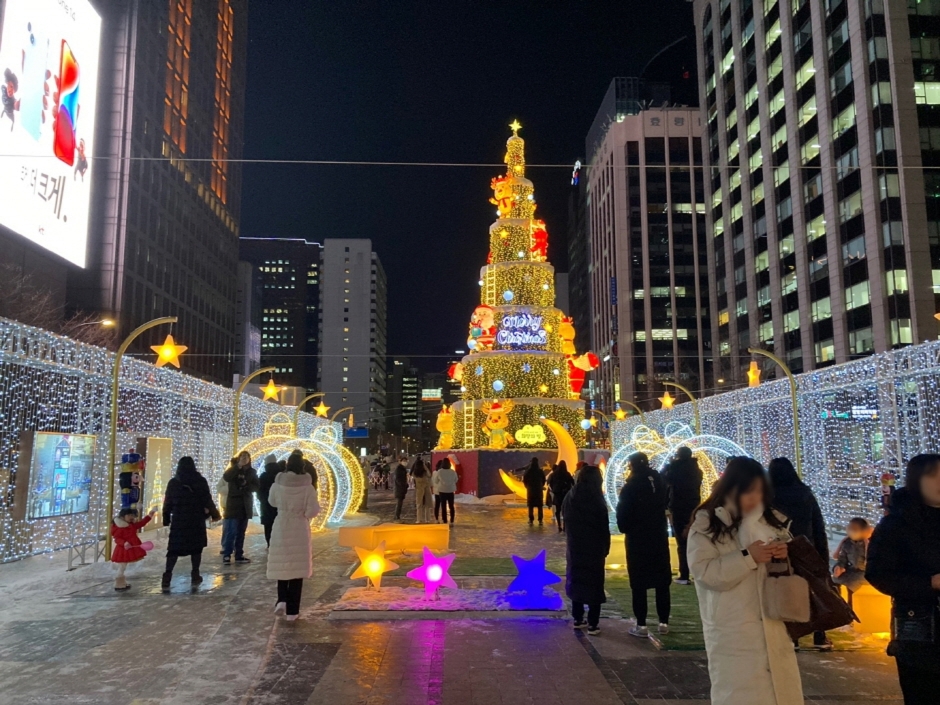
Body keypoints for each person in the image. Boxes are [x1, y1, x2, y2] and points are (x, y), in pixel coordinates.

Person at [687, 456, 802, 705]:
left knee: (778, 695)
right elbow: (704, 573)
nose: (755, 499)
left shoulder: (771, 521)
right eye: (750, 491)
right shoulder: (708, 523)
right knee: (738, 695)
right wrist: (748, 558)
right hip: (733, 630)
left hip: (773, 626)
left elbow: (786, 571)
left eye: (760, 492)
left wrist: (783, 554)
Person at [867, 454, 940, 704]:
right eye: (932, 475)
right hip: (920, 630)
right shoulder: (896, 524)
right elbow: (878, 574)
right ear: (916, 480)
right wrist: (928, 584)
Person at [768, 456, 832, 651]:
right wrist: (822, 553)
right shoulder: (805, 494)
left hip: (780, 549)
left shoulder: (769, 496)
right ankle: (819, 636)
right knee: (813, 590)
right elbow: (818, 526)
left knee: (787, 591)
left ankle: (793, 635)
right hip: (806, 547)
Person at [616, 452, 672, 637]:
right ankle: (664, 622)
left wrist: (627, 527)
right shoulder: (659, 482)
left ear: (632, 465)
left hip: (638, 539)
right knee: (662, 581)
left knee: (639, 582)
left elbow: (623, 516)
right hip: (658, 535)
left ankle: (641, 625)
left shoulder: (631, 486)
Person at [268, 451, 321, 621]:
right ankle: (292, 612)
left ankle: (281, 599)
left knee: (283, 565)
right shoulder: (307, 486)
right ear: (302, 466)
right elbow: (312, 511)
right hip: (299, 526)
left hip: (281, 524)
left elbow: (272, 502)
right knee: (297, 569)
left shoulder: (277, 484)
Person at [562, 465, 610, 635]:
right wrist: (606, 546)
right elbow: (603, 525)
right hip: (594, 546)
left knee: (576, 579)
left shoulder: (571, 496)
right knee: (594, 583)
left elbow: (565, 518)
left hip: (575, 545)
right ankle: (593, 623)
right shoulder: (596, 498)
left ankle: (577, 617)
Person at [162, 457, 220, 592]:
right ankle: (195, 574)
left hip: (179, 519)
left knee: (174, 549)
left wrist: (166, 518)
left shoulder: (174, 483)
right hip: (196, 518)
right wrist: (214, 513)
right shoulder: (200, 481)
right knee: (196, 548)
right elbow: (207, 499)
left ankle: (167, 576)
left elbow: (168, 502)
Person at [663, 446, 703, 585]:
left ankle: (684, 574)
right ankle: (696, 571)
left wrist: (670, 464)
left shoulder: (675, 469)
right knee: (693, 540)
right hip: (694, 507)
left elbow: (665, 479)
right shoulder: (696, 469)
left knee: (682, 541)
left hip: (679, 507)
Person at [221, 450, 259, 564]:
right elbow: (226, 477)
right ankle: (227, 554)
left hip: (245, 505)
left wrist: (246, 485)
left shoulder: (252, 472)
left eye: (246, 457)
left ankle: (239, 554)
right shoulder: (233, 470)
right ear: (239, 458)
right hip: (233, 505)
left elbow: (256, 486)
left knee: (241, 532)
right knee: (231, 531)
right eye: (242, 456)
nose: (244, 458)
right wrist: (237, 467)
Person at [110, 506, 156, 591]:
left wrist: (150, 515)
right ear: (123, 516)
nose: (131, 517)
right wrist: (124, 543)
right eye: (129, 515)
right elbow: (117, 538)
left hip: (129, 548)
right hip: (124, 549)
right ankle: (118, 583)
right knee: (122, 566)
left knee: (123, 566)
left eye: (132, 515)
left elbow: (141, 524)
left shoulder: (130, 524)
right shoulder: (120, 526)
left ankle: (121, 583)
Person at [832, 517, 871, 596]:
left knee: (852, 582)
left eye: (855, 529)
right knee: (836, 579)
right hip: (852, 570)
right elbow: (842, 558)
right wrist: (839, 567)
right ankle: (838, 600)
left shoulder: (870, 544)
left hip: (866, 573)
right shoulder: (847, 543)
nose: (852, 531)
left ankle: (850, 603)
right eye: (850, 528)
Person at [258, 455, 282, 547]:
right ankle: (279, 544)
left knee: (268, 526)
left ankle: (270, 544)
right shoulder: (281, 475)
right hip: (280, 505)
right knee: (279, 526)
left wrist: (263, 500)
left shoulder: (263, 476)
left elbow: (259, 492)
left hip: (266, 506)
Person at [548, 460, 574, 532]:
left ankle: (559, 525)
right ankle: (565, 526)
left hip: (557, 494)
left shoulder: (554, 474)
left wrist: (554, 489)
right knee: (565, 510)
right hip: (565, 494)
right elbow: (572, 483)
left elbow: (550, 483)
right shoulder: (567, 474)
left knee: (558, 510)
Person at [523, 458, 546, 526]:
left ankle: (531, 519)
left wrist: (527, 486)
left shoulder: (528, 471)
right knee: (539, 506)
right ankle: (540, 520)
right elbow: (544, 480)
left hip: (531, 490)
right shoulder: (540, 471)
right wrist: (541, 485)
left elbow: (525, 480)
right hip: (538, 490)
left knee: (531, 505)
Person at [436, 457, 459, 525]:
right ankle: (452, 520)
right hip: (450, 490)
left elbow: (436, 481)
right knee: (451, 506)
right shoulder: (453, 472)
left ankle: (445, 520)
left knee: (443, 506)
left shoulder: (440, 471)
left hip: (442, 490)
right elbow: (456, 480)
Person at [216, 464, 231, 555]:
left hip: (236, 506)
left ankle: (232, 547)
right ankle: (225, 546)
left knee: (234, 528)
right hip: (226, 506)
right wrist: (230, 488)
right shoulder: (225, 478)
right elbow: (219, 489)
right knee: (227, 527)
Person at [412, 458, 433, 523]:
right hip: (426, 487)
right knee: (427, 504)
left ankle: (419, 519)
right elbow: (429, 475)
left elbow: (414, 480)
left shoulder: (414, 473)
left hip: (419, 489)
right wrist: (425, 467)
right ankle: (428, 519)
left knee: (419, 504)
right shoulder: (425, 472)